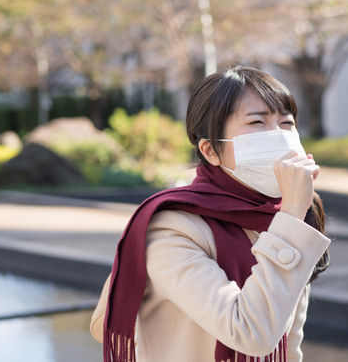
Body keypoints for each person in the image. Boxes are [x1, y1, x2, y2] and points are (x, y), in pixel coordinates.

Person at [91, 65, 331, 362]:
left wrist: (293, 215)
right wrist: (293, 214)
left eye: (286, 123)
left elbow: (288, 342)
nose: (279, 137)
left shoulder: (277, 218)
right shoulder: (171, 229)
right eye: (257, 122)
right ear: (210, 150)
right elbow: (251, 334)